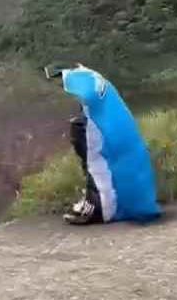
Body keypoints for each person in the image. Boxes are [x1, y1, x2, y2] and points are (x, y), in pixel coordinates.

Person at [45, 64, 161, 225]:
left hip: (110, 200)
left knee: (80, 130)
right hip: (142, 194)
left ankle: (97, 203)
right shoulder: (96, 81)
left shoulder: (84, 86)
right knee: (84, 128)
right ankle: (99, 198)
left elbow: (87, 97)